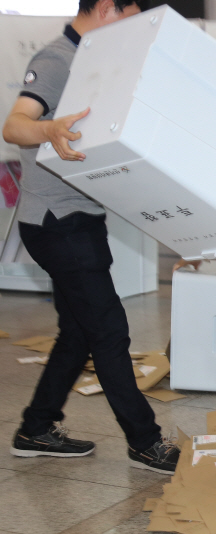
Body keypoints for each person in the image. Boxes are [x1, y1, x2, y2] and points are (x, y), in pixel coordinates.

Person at [2, 0, 180, 474]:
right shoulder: (57, 59)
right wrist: (47, 129)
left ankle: (36, 427)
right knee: (109, 331)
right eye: (130, 16)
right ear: (106, 8)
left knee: (78, 332)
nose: (134, 28)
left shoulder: (95, 60)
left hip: (77, 217)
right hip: (58, 224)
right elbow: (15, 125)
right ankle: (146, 442)